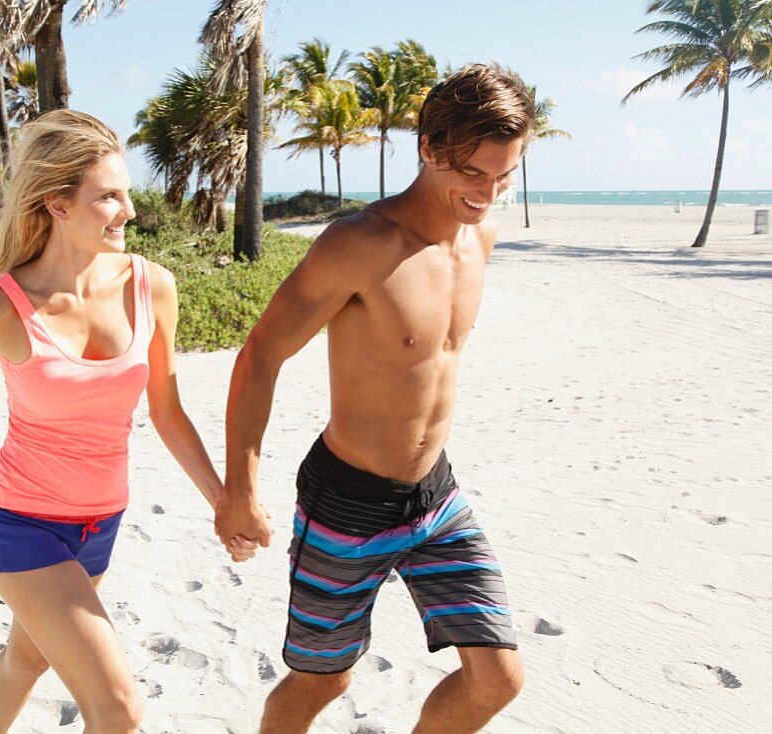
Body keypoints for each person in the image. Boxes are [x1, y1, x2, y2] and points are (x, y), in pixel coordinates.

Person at [0, 110, 254, 734]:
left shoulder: (152, 286)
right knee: (118, 709)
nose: (129, 210)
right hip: (20, 525)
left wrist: (222, 500)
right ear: (57, 204)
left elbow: (167, 409)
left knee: (27, 658)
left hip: (101, 521)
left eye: (127, 193)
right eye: (109, 197)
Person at [216, 63, 534, 733]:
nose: (489, 191)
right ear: (428, 149)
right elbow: (261, 355)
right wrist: (239, 490)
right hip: (347, 502)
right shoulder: (361, 243)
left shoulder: (481, 237)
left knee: (498, 679)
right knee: (322, 681)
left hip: (434, 495)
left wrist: (485, 194)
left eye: (505, 175)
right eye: (473, 173)